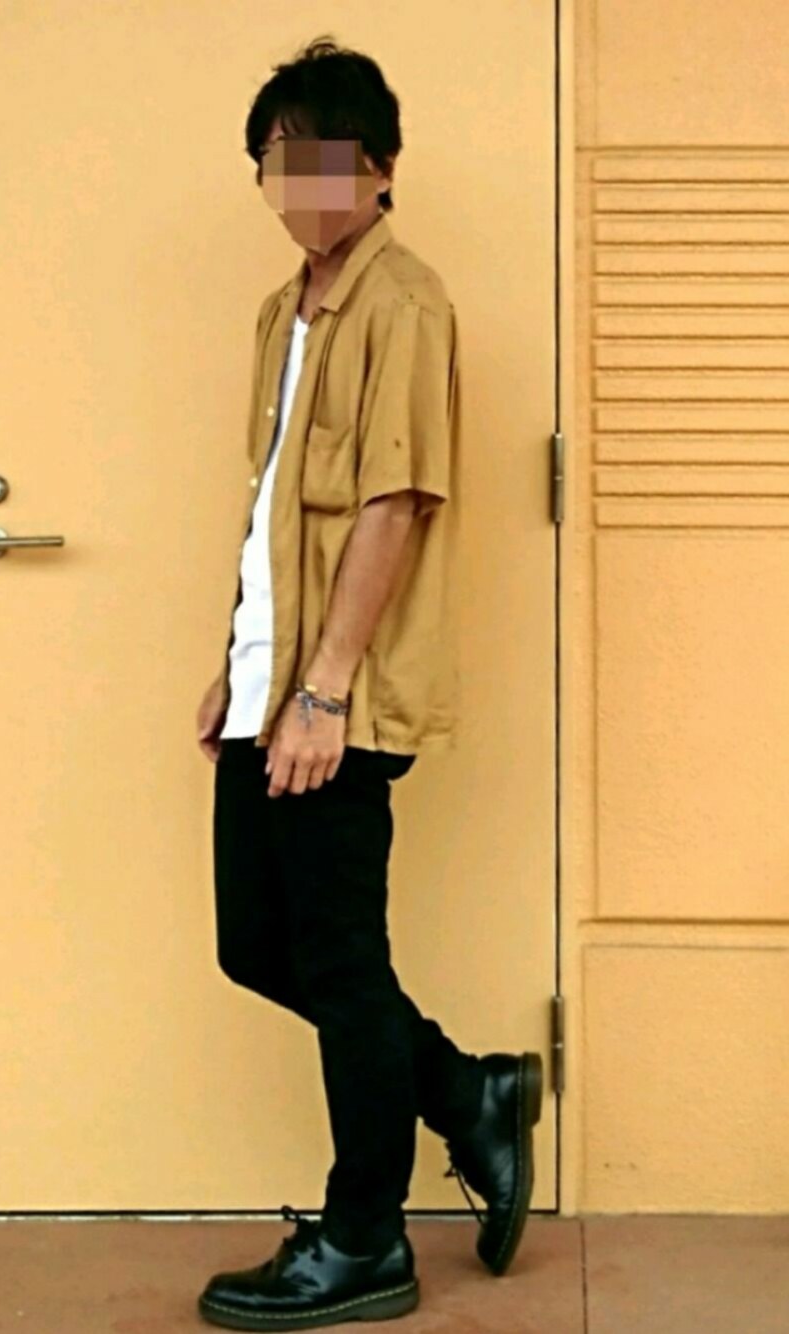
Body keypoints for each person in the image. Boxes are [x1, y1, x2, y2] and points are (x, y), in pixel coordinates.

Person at [194, 36, 543, 1331]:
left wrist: (327, 689)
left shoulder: (405, 303)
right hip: (271, 681)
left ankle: (364, 1239)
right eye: (276, 162)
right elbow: (273, 514)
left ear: (381, 167)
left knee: (342, 963)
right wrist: (237, 660)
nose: (297, 185)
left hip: (341, 695)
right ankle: (468, 1093)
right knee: (256, 944)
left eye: (322, 159)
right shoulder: (277, 313)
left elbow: (394, 501)